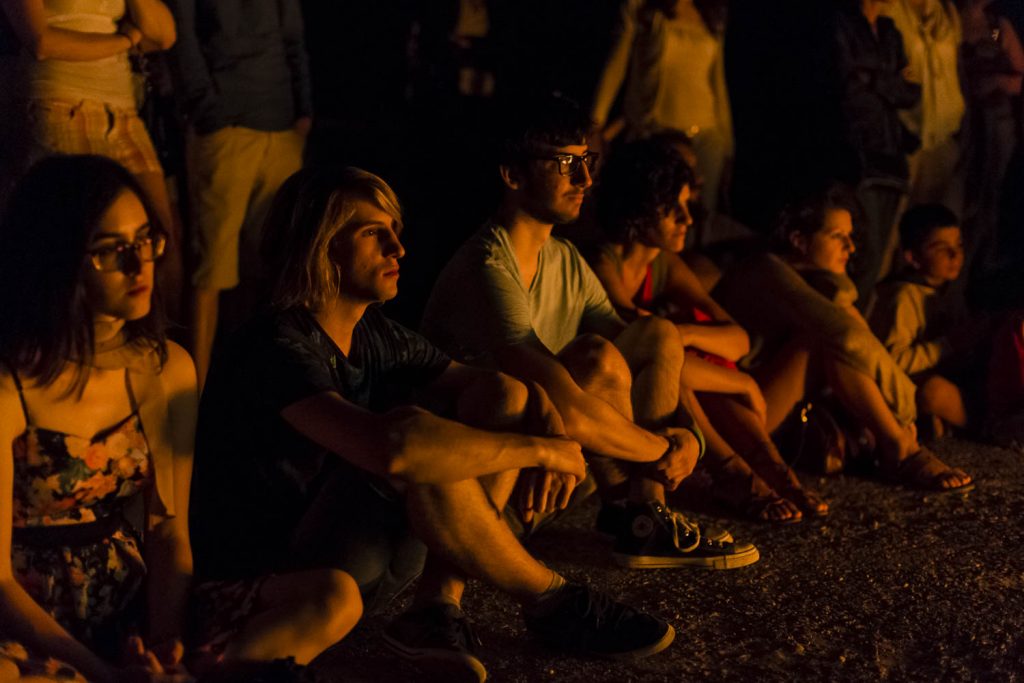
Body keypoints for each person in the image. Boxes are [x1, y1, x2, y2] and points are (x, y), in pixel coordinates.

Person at [190, 165, 678, 683]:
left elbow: (499, 389)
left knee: (499, 396)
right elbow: (395, 449)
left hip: (356, 559)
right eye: (374, 234)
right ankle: (550, 597)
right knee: (417, 437)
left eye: (396, 232)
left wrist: (549, 426)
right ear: (318, 247)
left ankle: (437, 608)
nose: (398, 249)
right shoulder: (274, 345)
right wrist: (540, 451)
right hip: (279, 578)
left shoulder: (372, 331)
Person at [0, 156, 356, 683]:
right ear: (56, 260)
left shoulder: (167, 367)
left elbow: (167, 530)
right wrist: (105, 672)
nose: (139, 263)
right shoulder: (10, 384)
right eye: (110, 251)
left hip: (131, 599)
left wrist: (168, 646)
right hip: (30, 619)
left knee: (334, 595)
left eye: (145, 240)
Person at [422, 94, 759, 568]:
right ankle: (458, 579)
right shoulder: (486, 266)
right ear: (513, 174)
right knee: (591, 361)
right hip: (470, 488)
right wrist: (664, 449)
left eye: (587, 161)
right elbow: (569, 405)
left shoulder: (565, 260)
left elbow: (647, 354)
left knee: (657, 333)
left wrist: (693, 438)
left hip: (550, 463)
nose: (584, 179)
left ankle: (646, 518)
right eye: (565, 163)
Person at [589, 138, 827, 521]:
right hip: (611, 398)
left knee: (688, 349)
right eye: (674, 209)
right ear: (641, 209)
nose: (688, 219)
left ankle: (771, 475)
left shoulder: (664, 264)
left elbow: (737, 339)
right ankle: (736, 474)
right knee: (679, 368)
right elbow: (645, 355)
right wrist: (741, 383)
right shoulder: (602, 263)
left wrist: (683, 334)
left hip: (672, 386)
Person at [714, 184, 973, 492]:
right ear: (799, 240)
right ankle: (901, 448)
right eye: (838, 237)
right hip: (737, 418)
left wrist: (839, 288)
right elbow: (848, 337)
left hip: (769, 404)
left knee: (830, 338)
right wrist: (905, 405)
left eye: (850, 238)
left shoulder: (810, 277)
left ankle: (897, 445)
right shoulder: (765, 269)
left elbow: (857, 333)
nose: (850, 248)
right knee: (822, 342)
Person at [1, 0, 184, 316]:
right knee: (73, 243)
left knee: (161, 239)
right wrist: (124, 41)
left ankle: (150, 348)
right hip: (59, 105)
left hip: (122, 112)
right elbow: (41, 41)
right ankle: (69, 348)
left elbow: (165, 35)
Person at [166, 0, 313, 387]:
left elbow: (293, 39)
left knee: (275, 267)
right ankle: (193, 396)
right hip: (225, 127)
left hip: (281, 127)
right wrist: (209, 115)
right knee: (212, 267)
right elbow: (182, 39)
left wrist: (302, 112)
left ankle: (260, 387)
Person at [590, 0, 733, 220]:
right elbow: (616, 65)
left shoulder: (711, 15)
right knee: (651, 213)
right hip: (656, 133)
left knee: (700, 216)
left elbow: (718, 83)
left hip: (706, 137)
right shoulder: (640, 7)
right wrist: (594, 124)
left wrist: (729, 144)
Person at [834, 0, 921, 301]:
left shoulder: (888, 31)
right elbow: (846, 88)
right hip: (857, 153)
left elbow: (912, 91)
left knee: (880, 248)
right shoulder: (840, 25)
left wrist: (873, 79)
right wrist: (890, 83)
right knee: (860, 249)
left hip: (890, 154)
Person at [870, 204, 976, 434]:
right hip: (910, 385)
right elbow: (892, 362)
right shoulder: (903, 297)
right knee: (933, 392)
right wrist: (947, 345)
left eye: (958, 245)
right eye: (941, 248)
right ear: (913, 257)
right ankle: (984, 426)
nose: (955, 254)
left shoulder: (948, 292)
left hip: (949, 375)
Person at [880, 0, 965, 209]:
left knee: (939, 223)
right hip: (907, 137)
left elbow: (958, 68)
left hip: (945, 137)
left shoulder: (946, 10)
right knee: (897, 223)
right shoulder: (889, 9)